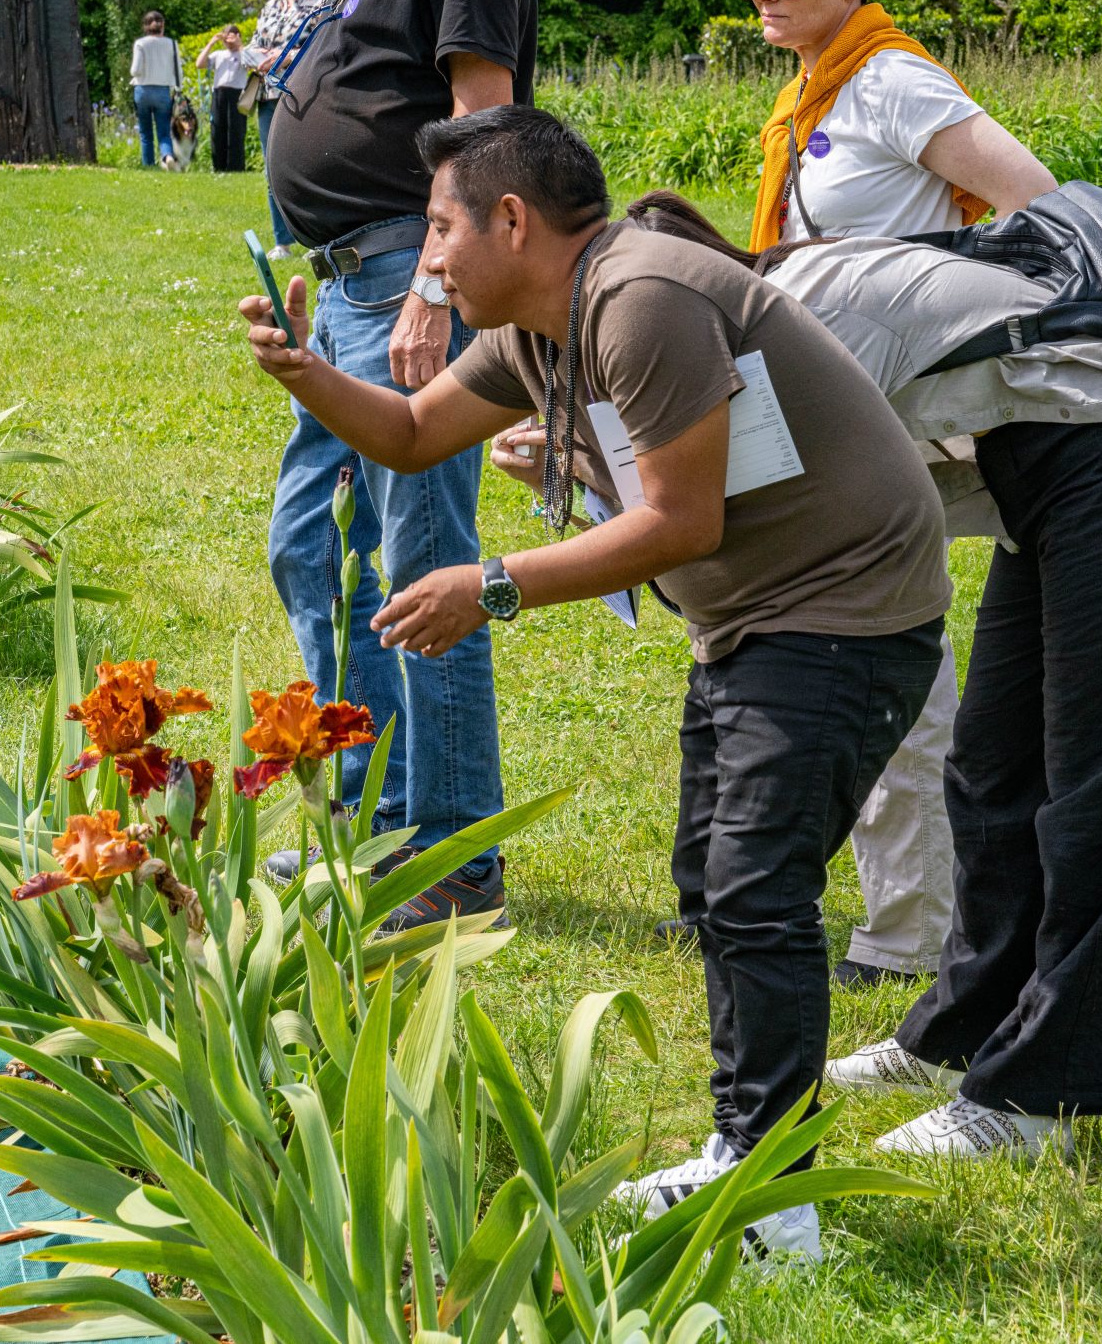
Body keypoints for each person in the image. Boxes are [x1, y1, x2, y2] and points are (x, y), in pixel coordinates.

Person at [239, 106, 952, 1264]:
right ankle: (745, 1152)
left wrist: (495, 583)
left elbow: (681, 521)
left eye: (438, 228)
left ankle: (775, 1197)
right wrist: (305, 370)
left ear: (510, 221)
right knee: (713, 883)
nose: (427, 257)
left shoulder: (640, 299)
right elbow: (416, 432)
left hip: (843, 614)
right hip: (756, 620)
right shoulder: (541, 321)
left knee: (754, 889)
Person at [591, 192, 1102, 1164]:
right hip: (1042, 452)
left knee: (1096, 779)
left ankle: (1038, 1096)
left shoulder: (790, 321)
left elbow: (716, 538)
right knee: (990, 764)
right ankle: (961, 1033)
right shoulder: (749, 327)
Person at [731, 0, 1062, 989]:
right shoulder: (815, 94)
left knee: (893, 673)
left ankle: (912, 933)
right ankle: (910, 918)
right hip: (830, 412)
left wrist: (932, 310)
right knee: (864, 661)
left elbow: (1035, 202)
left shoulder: (890, 82)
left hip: (888, 420)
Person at [257, 0, 537, 928]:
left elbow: (487, 117)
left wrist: (433, 282)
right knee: (313, 543)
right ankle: (368, 815)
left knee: (426, 569)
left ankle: (454, 855)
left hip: (405, 287)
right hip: (355, 283)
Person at [241, 0, 331, 254]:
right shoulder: (271, 5)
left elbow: (328, 48)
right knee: (273, 167)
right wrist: (251, 54)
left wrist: (288, 56)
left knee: (310, 165)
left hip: (305, 97)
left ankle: (318, 239)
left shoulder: (323, 3)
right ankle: (282, 241)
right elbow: (254, 42)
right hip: (267, 96)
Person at [128, 12, 179, 168]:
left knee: (145, 132)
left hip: (143, 90)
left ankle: (148, 165)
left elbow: (134, 71)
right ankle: (167, 156)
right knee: (164, 130)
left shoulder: (140, 44)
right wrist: (178, 89)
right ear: (162, 26)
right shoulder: (172, 44)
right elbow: (178, 70)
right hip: (163, 90)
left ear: (145, 26)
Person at [203, 24, 248, 173]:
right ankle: (218, 166)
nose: (228, 39)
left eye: (232, 35)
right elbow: (199, 63)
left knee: (236, 130)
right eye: (226, 35)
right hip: (219, 93)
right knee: (218, 128)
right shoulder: (219, 55)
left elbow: (252, 62)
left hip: (237, 93)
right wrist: (212, 42)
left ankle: (236, 167)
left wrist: (239, 44)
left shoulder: (244, 53)